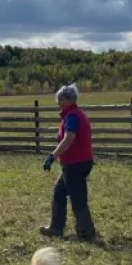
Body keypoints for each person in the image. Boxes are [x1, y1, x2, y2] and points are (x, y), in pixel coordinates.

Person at [39, 83, 97, 241]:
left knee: (78, 198)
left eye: (60, 100)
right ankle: (56, 227)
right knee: (59, 192)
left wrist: (53, 155)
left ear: (68, 100)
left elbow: (69, 138)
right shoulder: (76, 113)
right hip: (77, 162)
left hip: (75, 164)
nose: (58, 103)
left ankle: (87, 233)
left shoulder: (72, 116)